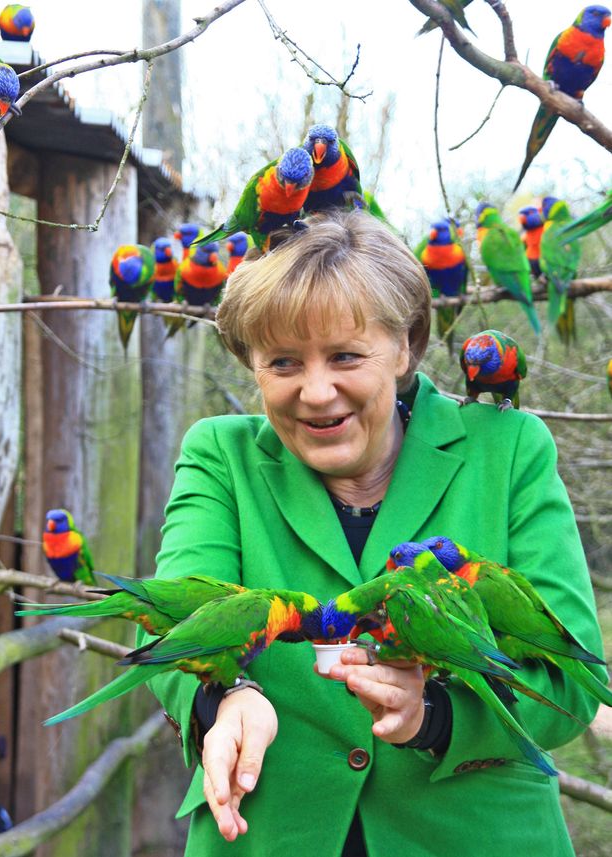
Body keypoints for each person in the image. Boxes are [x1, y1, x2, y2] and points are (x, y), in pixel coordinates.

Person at [144, 209, 607, 857]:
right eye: (282, 361)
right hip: (269, 832)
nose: (315, 390)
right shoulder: (221, 457)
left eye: (345, 355)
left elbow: (573, 680)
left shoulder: (507, 448)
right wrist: (229, 697)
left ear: (406, 347)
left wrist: (434, 718)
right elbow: (172, 624)